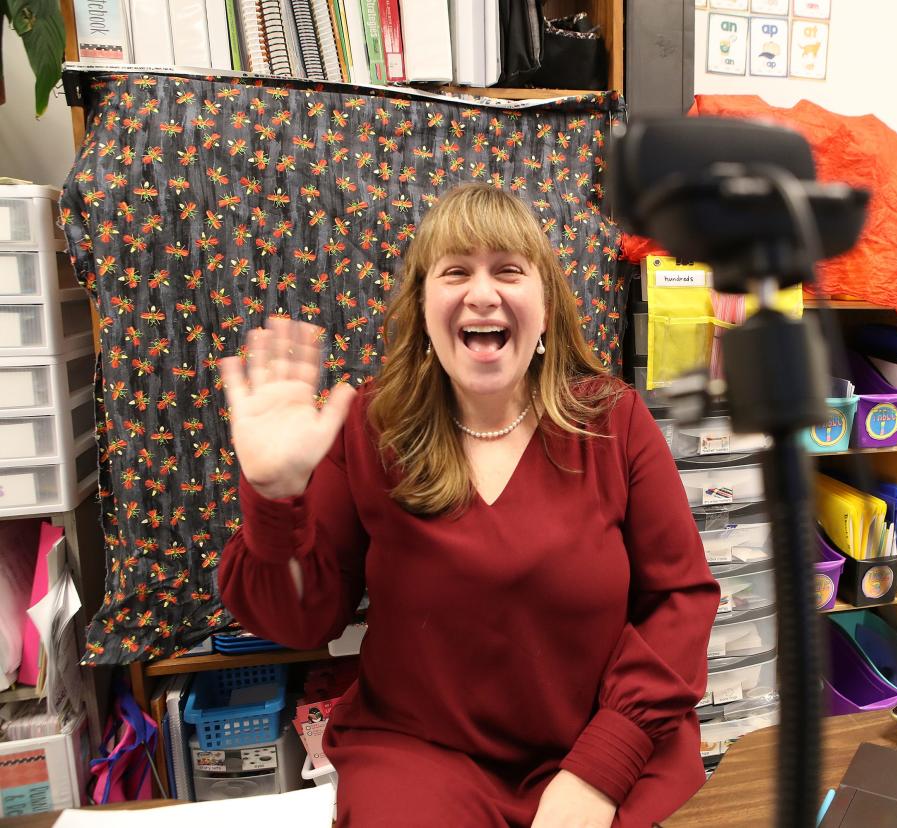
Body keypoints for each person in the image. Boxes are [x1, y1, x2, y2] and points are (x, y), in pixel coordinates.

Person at [218, 183, 720, 827]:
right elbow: (301, 620)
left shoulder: (614, 422)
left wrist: (600, 769)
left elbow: (681, 601)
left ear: (546, 309)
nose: (483, 293)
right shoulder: (373, 426)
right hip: (423, 758)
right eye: (456, 271)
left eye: (508, 270)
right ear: (425, 308)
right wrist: (274, 499)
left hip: (604, 748)